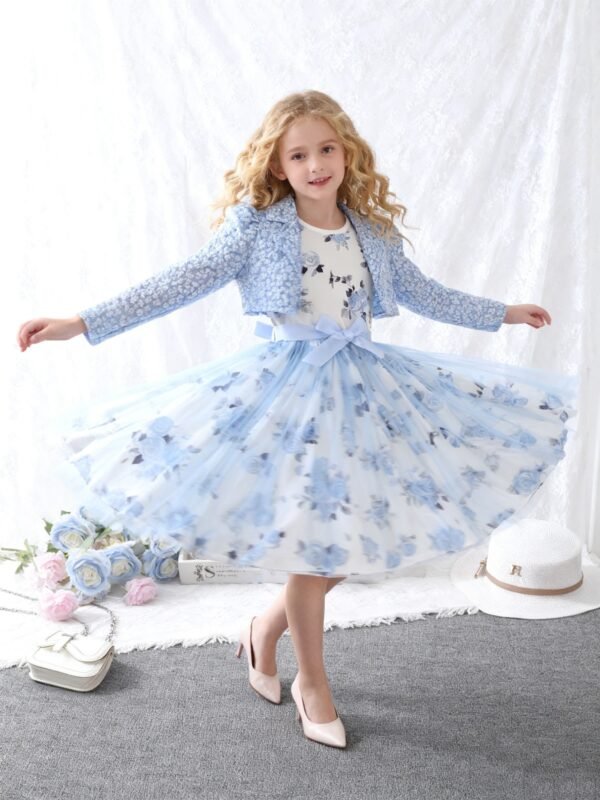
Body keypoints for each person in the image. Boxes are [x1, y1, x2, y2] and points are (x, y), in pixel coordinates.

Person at [16, 90, 577, 749]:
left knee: (348, 545)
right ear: (278, 166)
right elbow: (179, 281)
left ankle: (264, 629)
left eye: (327, 149)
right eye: (300, 155)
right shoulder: (259, 228)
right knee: (316, 551)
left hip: (363, 392)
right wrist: (82, 322)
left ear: (348, 153)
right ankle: (312, 684)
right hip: (287, 397)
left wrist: (501, 313)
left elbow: (426, 293)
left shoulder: (371, 232)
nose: (316, 165)